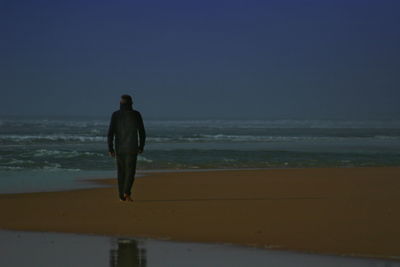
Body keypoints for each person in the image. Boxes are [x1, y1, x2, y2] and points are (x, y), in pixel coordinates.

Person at [108, 94, 146, 202]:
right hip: (131, 148)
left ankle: (121, 196)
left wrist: (110, 149)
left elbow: (110, 133)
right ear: (131, 103)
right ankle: (126, 192)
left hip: (119, 148)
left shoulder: (115, 115)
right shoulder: (136, 114)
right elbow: (142, 132)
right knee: (130, 172)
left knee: (121, 173)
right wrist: (141, 146)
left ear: (120, 103)